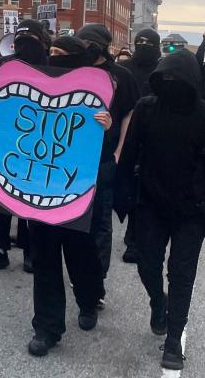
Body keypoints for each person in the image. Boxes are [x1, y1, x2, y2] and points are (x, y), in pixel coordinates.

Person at [116, 49, 205, 370]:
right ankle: (159, 303)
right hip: (152, 203)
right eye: (164, 78)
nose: (170, 83)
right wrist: (122, 195)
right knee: (146, 263)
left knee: (182, 275)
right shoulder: (147, 108)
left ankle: (173, 339)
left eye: (176, 79)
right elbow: (129, 154)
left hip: (191, 211)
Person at [27, 35, 111, 358]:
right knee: (45, 256)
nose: (53, 57)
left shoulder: (100, 90)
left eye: (62, 54)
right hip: (41, 188)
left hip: (79, 188)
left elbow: (114, 146)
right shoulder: (35, 85)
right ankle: (46, 326)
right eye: (51, 53)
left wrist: (108, 126)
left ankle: (89, 298)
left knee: (81, 252)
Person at [0, 20, 52, 272]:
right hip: (2, 141)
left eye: (32, 42)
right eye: (21, 42)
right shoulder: (1, 66)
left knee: (31, 200)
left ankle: (31, 250)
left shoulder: (52, 69)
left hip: (36, 146)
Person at [75, 23, 140, 306]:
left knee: (100, 222)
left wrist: (119, 152)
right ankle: (79, 277)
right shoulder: (71, 69)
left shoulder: (121, 76)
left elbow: (129, 113)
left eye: (89, 43)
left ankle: (95, 286)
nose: (84, 47)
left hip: (103, 158)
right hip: (70, 157)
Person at [119, 28, 162, 264]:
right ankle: (132, 233)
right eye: (139, 42)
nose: (143, 46)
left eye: (148, 43)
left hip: (156, 133)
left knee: (148, 186)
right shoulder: (126, 69)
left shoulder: (163, 70)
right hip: (128, 133)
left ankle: (139, 235)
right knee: (131, 185)